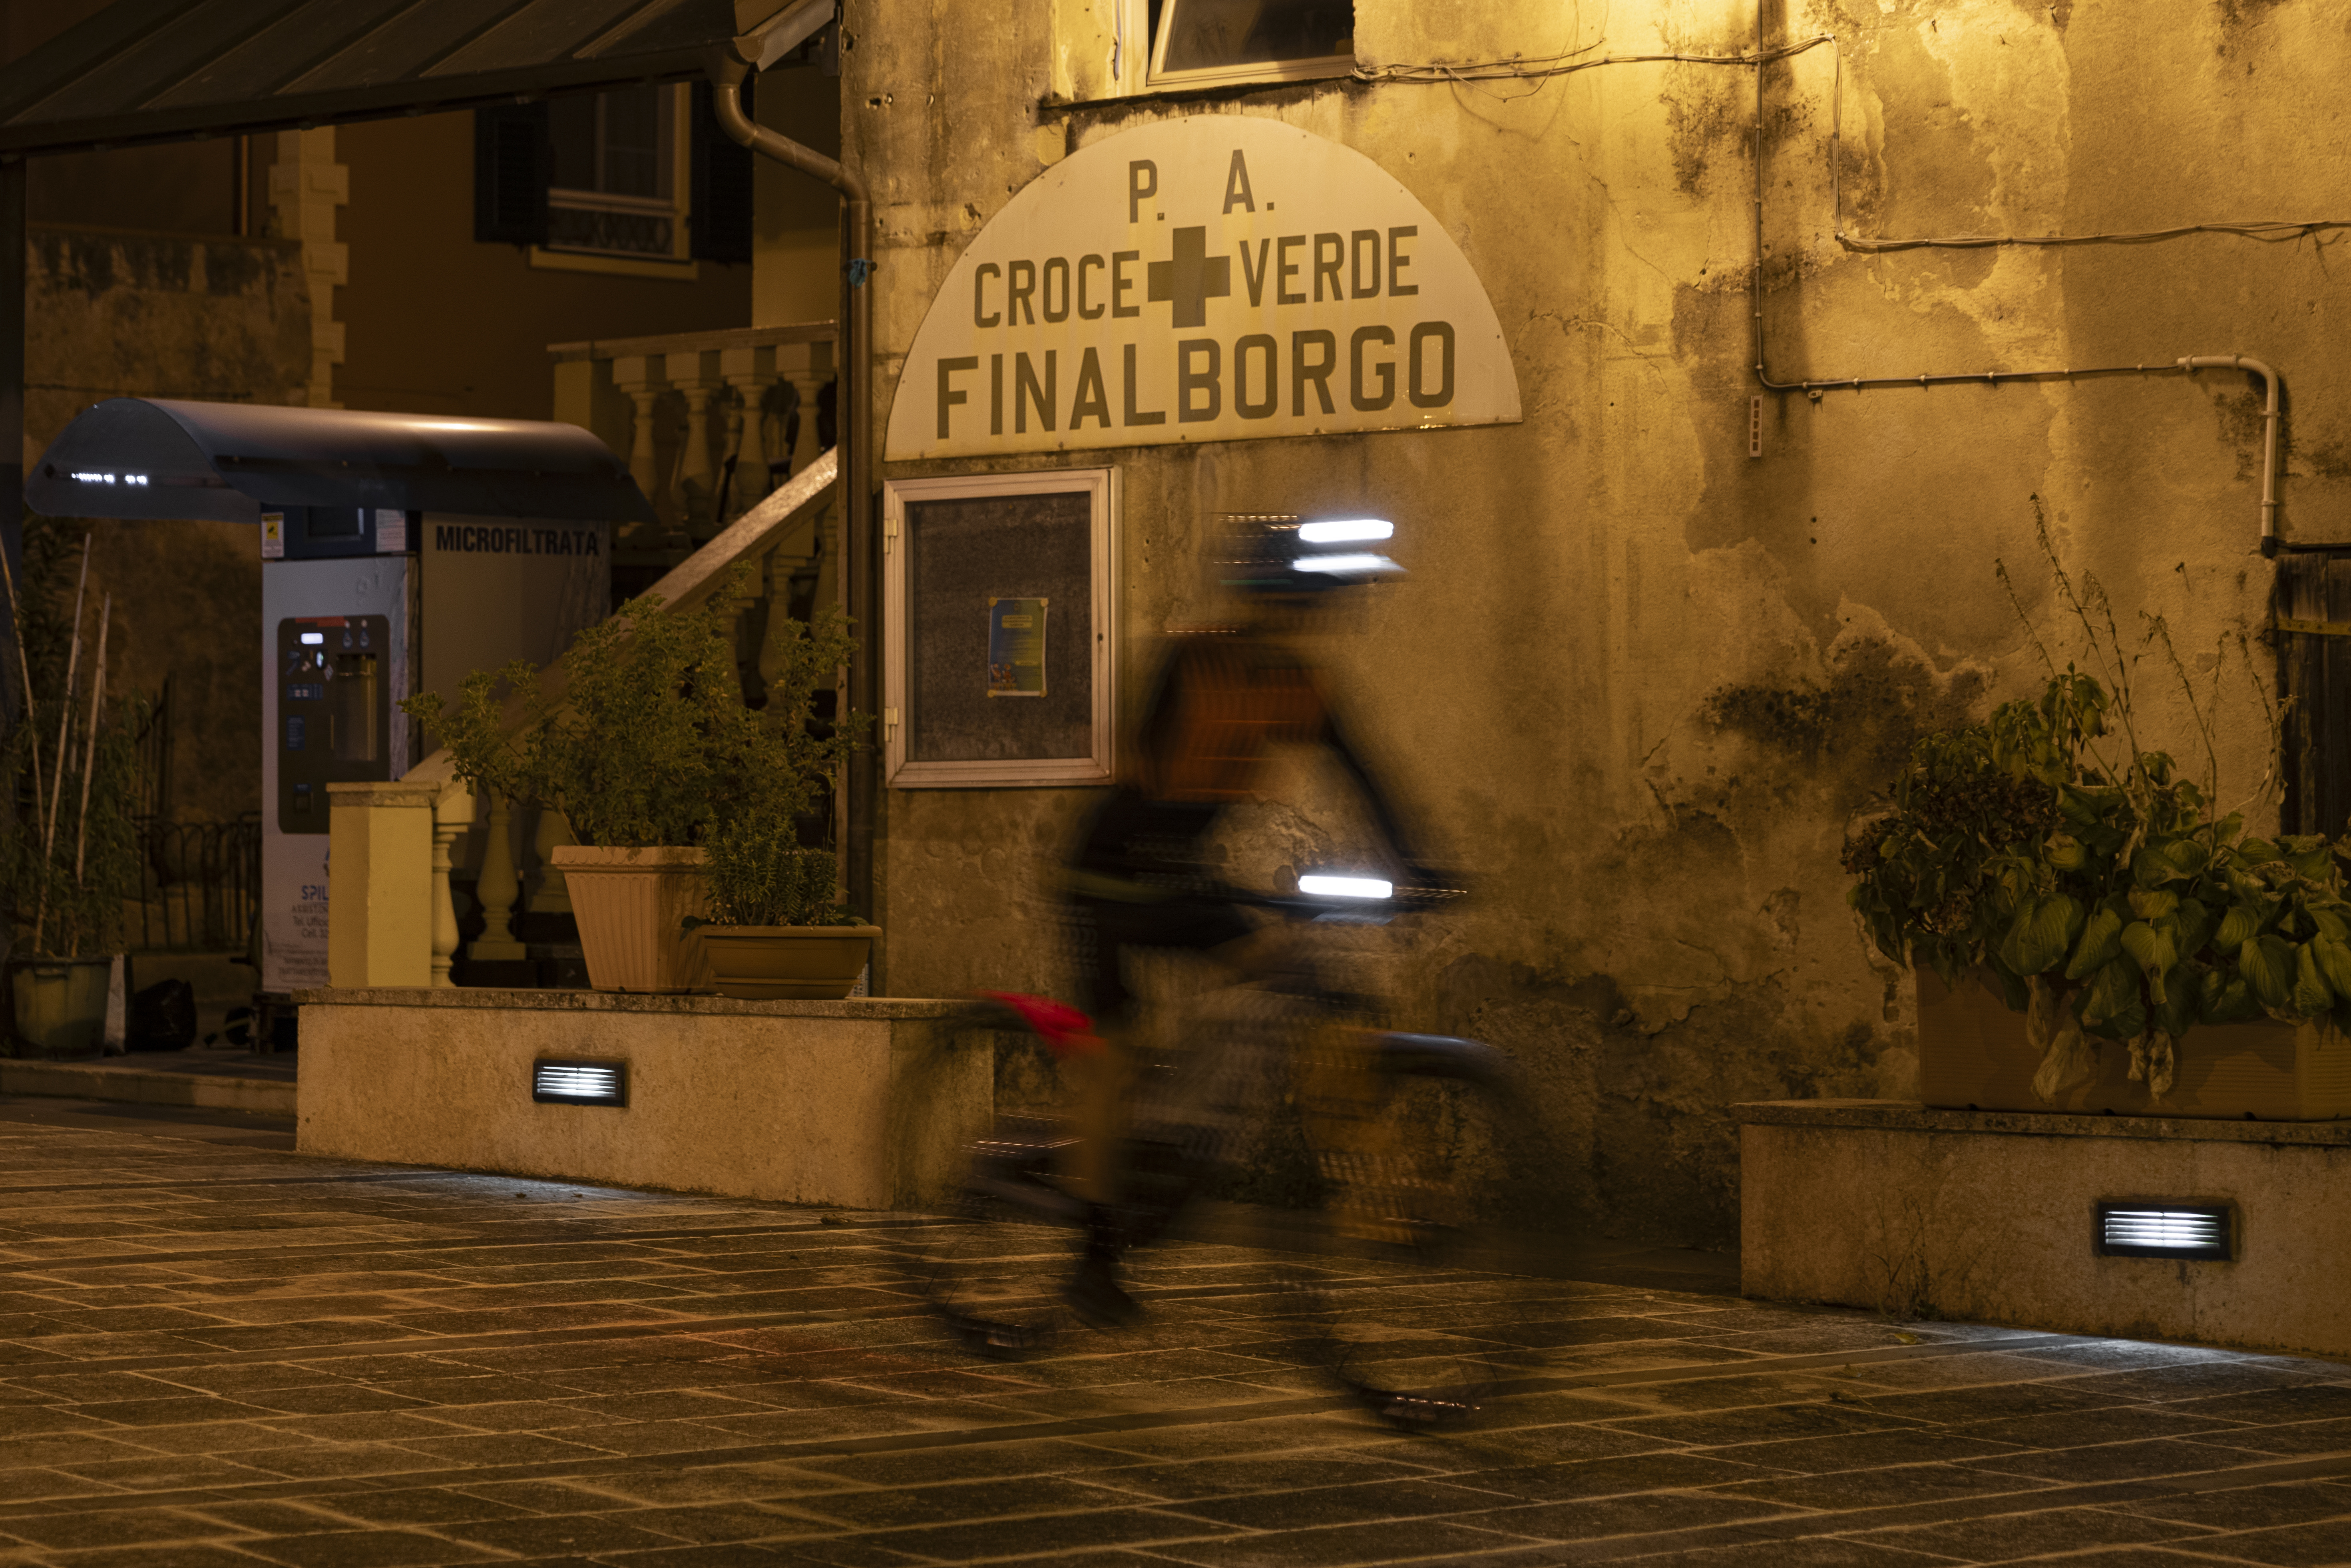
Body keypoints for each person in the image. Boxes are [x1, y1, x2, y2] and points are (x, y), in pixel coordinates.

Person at [1056, 511, 1432, 1327]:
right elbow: (1144, 767)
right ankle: (1090, 1260)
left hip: (1185, 880)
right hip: (1106, 878)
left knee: (1299, 981)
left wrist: (1422, 864)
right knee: (1113, 1060)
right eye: (1298, 600)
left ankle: (1187, 1144)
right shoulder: (1191, 659)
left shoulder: (1297, 683)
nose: (1305, 619)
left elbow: (1367, 776)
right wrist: (1173, 868)